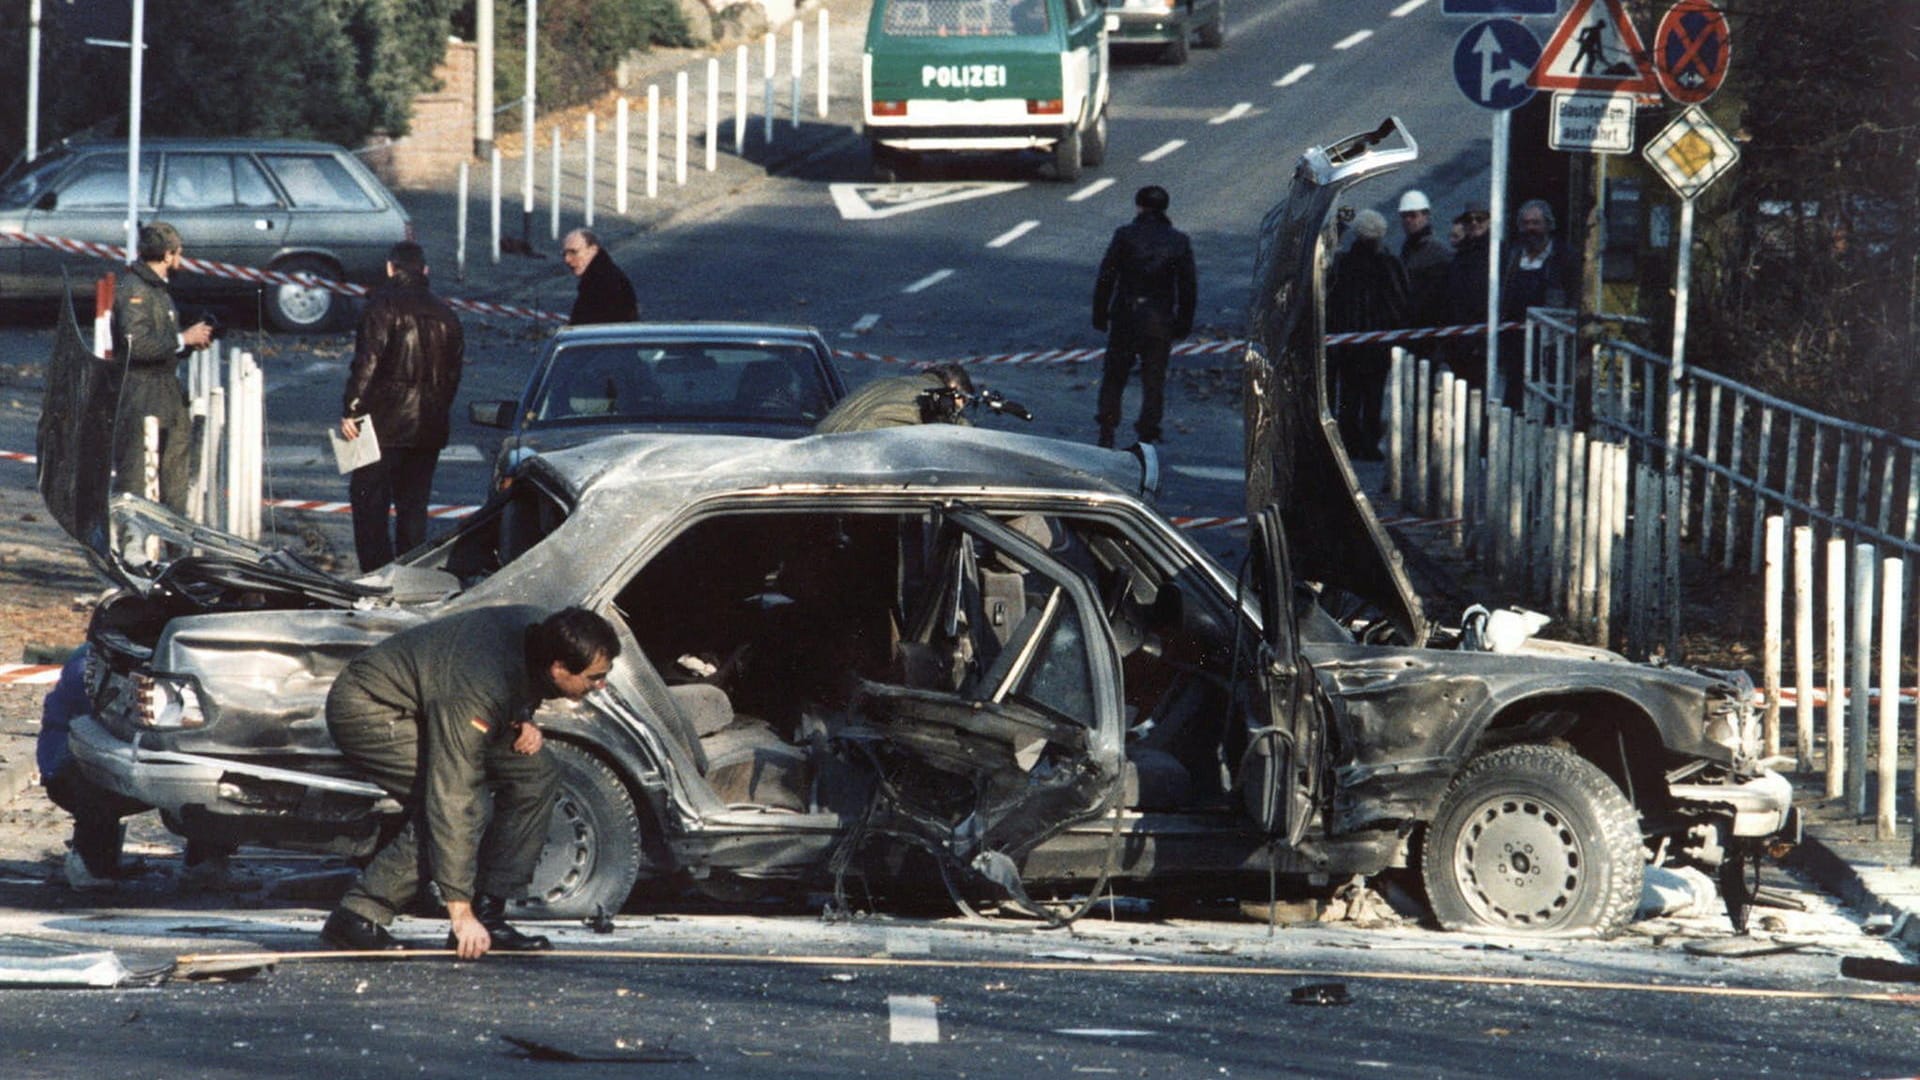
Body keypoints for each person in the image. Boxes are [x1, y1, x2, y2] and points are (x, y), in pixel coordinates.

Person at [319, 605, 621, 959]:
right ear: (559, 669)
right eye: (593, 677)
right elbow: (454, 793)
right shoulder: (477, 685)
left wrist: (522, 716)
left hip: (436, 701)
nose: (600, 685)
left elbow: (518, 679)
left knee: (536, 774)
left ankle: (490, 913)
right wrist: (459, 912)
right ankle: (359, 914)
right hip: (372, 709)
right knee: (467, 803)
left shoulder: (545, 633)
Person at [38, 645, 232, 890]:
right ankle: (89, 862)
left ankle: (205, 864)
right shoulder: (92, 662)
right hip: (70, 763)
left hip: (134, 755)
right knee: (95, 772)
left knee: (212, 773)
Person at [340, 241, 464, 572]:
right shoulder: (447, 314)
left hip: (382, 423)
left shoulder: (381, 306)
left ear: (390, 268)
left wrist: (351, 409)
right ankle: (411, 576)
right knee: (414, 507)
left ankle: (376, 575)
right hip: (428, 425)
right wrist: (436, 406)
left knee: (370, 504)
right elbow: (453, 376)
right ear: (425, 271)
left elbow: (366, 364)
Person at [111, 222, 215, 514]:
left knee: (175, 482)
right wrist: (182, 338)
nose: (180, 259)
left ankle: (173, 550)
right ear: (168, 255)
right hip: (140, 396)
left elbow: (161, 344)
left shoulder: (159, 290)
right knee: (135, 479)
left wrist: (188, 344)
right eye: (178, 253)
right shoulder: (135, 290)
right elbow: (136, 345)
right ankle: (132, 551)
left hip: (166, 394)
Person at [1092, 185, 1197, 448]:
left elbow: (1107, 276)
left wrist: (1100, 313)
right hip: (1159, 319)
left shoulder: (1125, 236)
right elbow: (1187, 286)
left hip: (1126, 315)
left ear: (1139, 206)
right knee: (1154, 378)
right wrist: (1183, 322)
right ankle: (1148, 429)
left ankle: (1107, 425)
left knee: (1115, 374)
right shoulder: (1178, 241)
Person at [1325, 209, 1408, 461]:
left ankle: (1348, 441)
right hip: (1377, 345)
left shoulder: (1343, 264)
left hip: (1348, 344)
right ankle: (1370, 444)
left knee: (1349, 396)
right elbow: (1399, 301)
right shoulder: (1389, 264)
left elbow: (1332, 302)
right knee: (1373, 397)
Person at [1498, 198, 1573, 408]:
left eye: (1536, 223)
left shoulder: (1564, 257)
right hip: (1515, 341)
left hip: (1549, 343)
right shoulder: (1513, 256)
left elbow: (1573, 296)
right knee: (1514, 397)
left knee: (1547, 396)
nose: (1530, 228)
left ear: (1548, 225)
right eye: (1526, 223)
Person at [814, 362, 975, 433]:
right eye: (963, 402)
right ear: (955, 388)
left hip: (821, 446)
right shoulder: (940, 396)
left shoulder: (884, 384)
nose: (961, 409)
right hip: (859, 456)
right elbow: (964, 439)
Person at [1447, 200, 1493, 391]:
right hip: (1461, 341)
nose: (1474, 223)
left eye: (1480, 218)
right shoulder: (1461, 254)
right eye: (1469, 219)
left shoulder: (1496, 252)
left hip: (1483, 342)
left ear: (1489, 221)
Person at [1396, 189, 1454, 336]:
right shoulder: (1407, 251)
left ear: (1426, 216)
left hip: (1431, 329)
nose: (1408, 220)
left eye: (1413, 215)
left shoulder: (1438, 253)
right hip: (1411, 327)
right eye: (1404, 216)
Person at [562, 228, 638, 325]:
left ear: (593, 250)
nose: (567, 259)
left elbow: (585, 326)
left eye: (573, 252)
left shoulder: (600, 283)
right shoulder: (601, 276)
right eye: (565, 254)